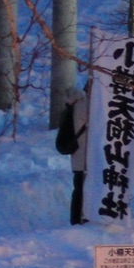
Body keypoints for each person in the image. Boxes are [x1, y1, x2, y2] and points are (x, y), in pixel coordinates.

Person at [55, 83, 90, 224]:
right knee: (84, 190)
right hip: (86, 156)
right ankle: (82, 218)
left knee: (78, 189)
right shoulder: (84, 105)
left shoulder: (70, 108)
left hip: (76, 155)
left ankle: (75, 219)